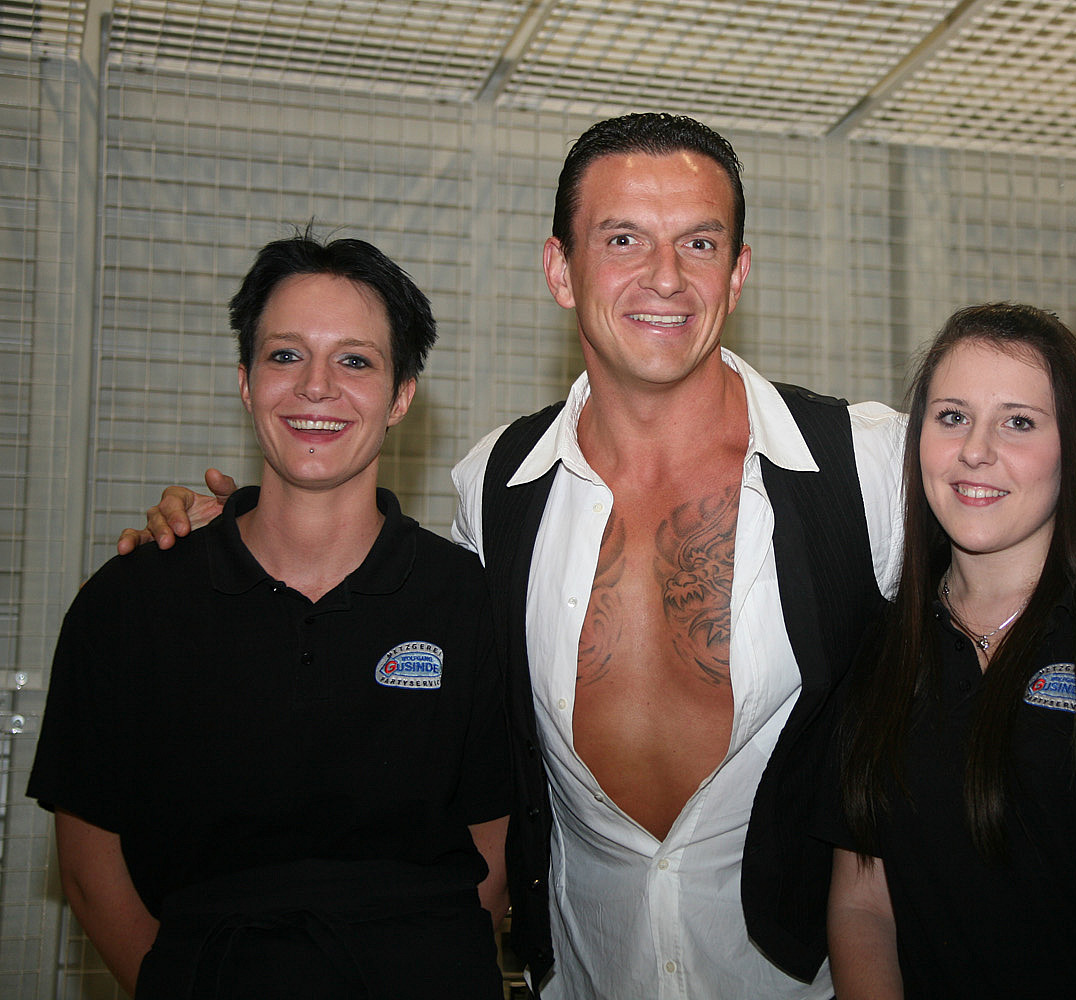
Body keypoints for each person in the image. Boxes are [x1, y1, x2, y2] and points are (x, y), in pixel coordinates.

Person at [118, 115, 905, 998]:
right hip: (585, 975)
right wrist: (236, 534)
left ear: (738, 271)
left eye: (699, 242)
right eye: (623, 239)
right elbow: (383, 632)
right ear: (560, 271)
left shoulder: (868, 465)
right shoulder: (495, 486)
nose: (665, 276)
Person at [36, 232, 512, 998]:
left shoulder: (468, 601)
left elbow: (492, 856)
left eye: (355, 360)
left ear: (401, 396)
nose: (316, 387)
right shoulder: (129, 603)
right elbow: (92, 867)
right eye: (286, 355)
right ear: (246, 382)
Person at [825, 303, 1076, 998]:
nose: (975, 450)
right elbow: (862, 905)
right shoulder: (881, 650)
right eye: (952, 416)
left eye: (1019, 422)